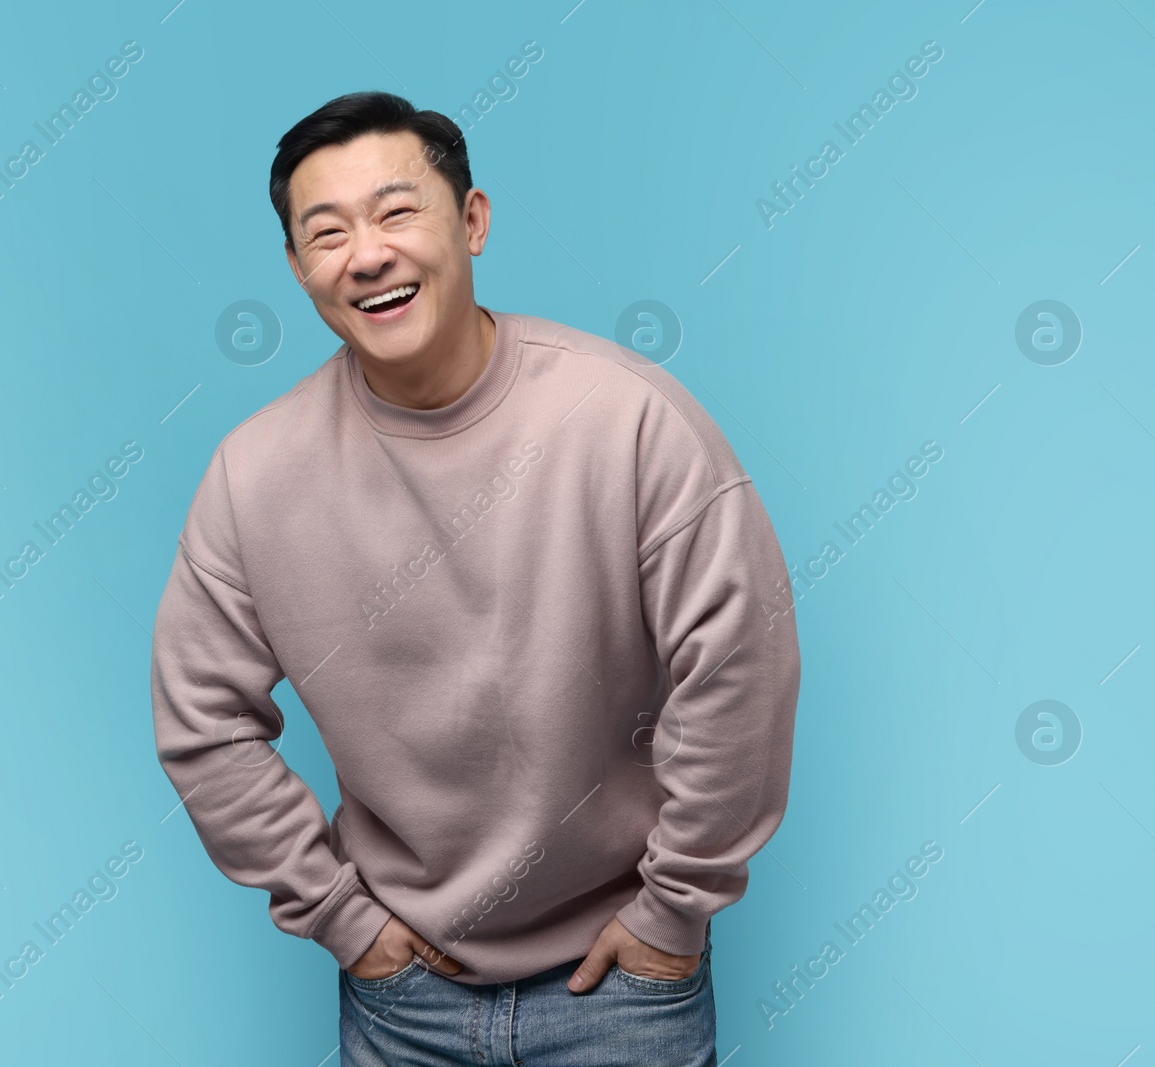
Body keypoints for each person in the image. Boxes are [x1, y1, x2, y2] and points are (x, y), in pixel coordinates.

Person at [150, 90, 801, 1066]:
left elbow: (740, 668)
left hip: (623, 986)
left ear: (472, 220)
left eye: (396, 211)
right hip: (399, 1000)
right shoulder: (254, 474)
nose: (364, 253)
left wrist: (674, 912)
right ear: (295, 269)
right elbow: (202, 720)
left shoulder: (624, 419)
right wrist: (340, 917)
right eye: (324, 234)